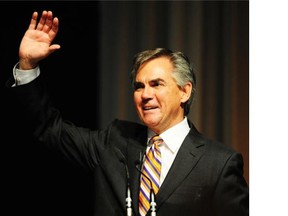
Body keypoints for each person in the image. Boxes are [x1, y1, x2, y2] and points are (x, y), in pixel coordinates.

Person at [7, 10, 249, 216]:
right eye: (139, 86)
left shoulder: (219, 164)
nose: (145, 94)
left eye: (156, 84)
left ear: (185, 92)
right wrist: (28, 66)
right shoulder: (115, 141)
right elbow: (50, 129)